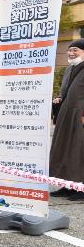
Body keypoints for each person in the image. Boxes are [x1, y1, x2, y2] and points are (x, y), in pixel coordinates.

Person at [50, 39, 84, 201]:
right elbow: (65, 92)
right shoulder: (68, 70)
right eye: (69, 50)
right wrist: (59, 97)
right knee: (65, 149)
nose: (71, 53)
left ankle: (81, 189)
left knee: (79, 150)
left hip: (81, 116)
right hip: (66, 115)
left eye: (75, 50)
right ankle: (66, 185)